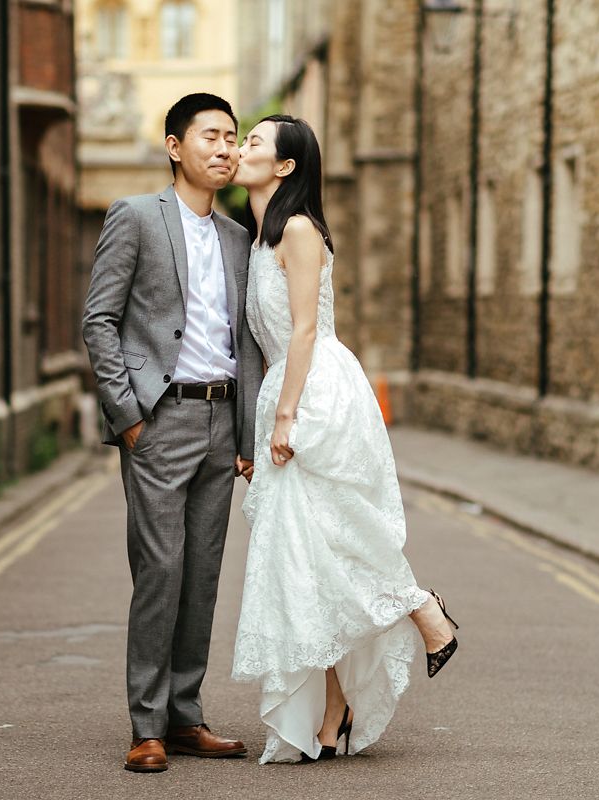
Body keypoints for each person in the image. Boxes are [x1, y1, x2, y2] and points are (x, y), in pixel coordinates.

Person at [230, 115, 460, 764]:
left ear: (283, 168)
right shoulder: (258, 235)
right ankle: (336, 707)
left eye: (253, 142)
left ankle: (421, 608)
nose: (240, 148)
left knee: (334, 541)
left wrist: (285, 418)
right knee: (306, 563)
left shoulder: (298, 230)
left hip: (316, 393)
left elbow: (303, 331)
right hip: (288, 390)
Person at [81, 93, 264, 773]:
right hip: (160, 418)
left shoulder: (238, 237)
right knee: (159, 569)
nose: (224, 148)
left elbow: (243, 342)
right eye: (211, 136)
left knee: (203, 575)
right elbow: (99, 319)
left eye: (232, 137)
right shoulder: (134, 217)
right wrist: (128, 416)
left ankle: (186, 715)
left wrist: (245, 435)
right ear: (174, 146)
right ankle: (146, 724)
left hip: (221, 421)